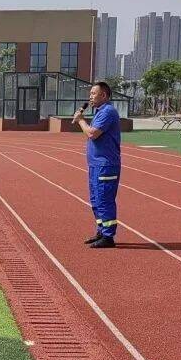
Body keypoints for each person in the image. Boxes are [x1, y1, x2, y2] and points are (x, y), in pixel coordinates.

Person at [73, 82, 121, 249]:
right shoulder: (100, 112)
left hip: (105, 165)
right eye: (90, 94)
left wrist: (80, 120)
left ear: (104, 95)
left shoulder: (108, 111)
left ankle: (108, 236)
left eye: (94, 93)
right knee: (96, 200)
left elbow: (92, 134)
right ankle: (101, 230)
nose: (90, 97)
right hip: (96, 165)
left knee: (104, 199)